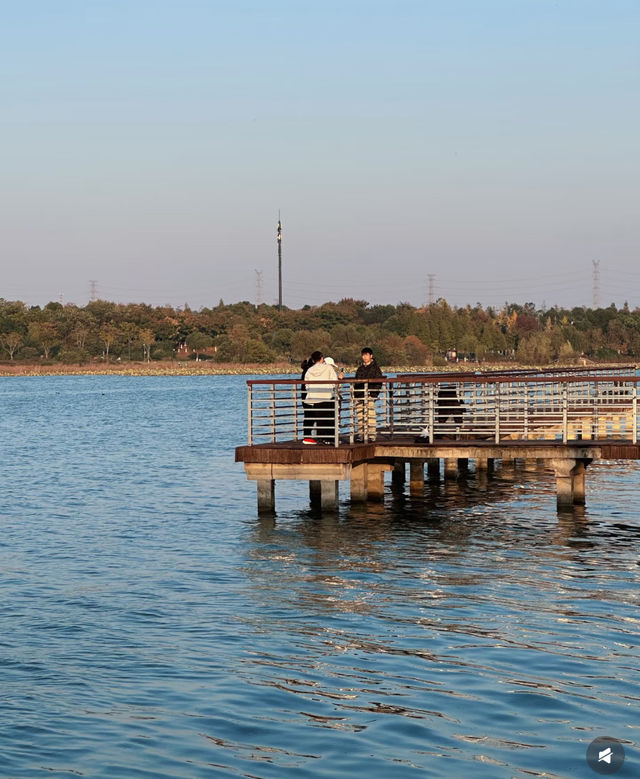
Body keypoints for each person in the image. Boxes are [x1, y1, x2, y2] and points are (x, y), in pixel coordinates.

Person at [302, 351, 340, 444]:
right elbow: (334, 381)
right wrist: (331, 388)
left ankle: (321, 438)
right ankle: (330, 439)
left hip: (314, 397)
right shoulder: (328, 368)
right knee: (328, 418)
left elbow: (306, 384)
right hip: (326, 395)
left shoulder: (310, 370)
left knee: (319, 419)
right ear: (322, 358)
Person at [354, 347, 383, 442]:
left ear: (371, 356)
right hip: (359, 395)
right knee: (360, 416)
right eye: (363, 355)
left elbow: (379, 382)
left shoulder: (376, 368)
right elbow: (356, 382)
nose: (365, 357)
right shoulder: (360, 368)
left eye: (366, 355)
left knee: (370, 416)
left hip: (370, 395)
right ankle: (361, 435)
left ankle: (371, 436)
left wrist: (373, 394)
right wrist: (355, 394)